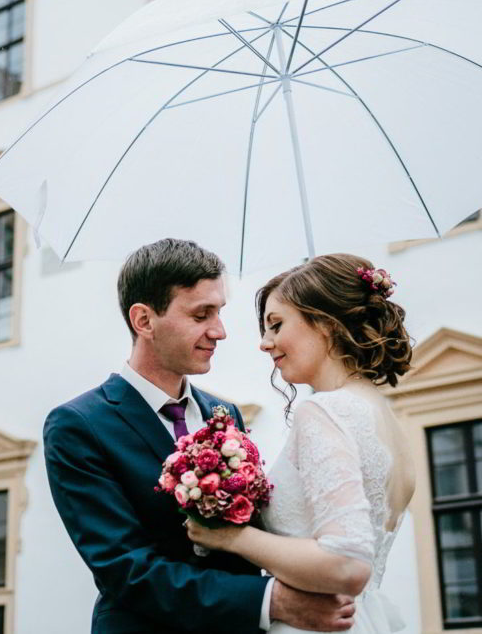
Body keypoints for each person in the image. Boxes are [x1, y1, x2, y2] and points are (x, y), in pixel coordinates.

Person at [44, 239, 358, 634]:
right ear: (144, 321)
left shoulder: (225, 415)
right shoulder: (79, 425)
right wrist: (272, 601)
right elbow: (126, 570)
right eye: (201, 314)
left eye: (219, 312)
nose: (220, 332)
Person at [186, 253, 416, 633]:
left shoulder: (324, 412)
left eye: (276, 325)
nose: (265, 343)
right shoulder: (384, 416)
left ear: (325, 324)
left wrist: (230, 536)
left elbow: (346, 563)